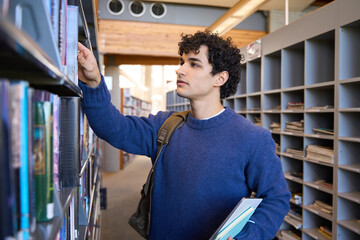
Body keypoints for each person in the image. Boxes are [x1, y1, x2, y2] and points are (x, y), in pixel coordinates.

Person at [77, 31, 291, 240]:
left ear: (220, 78)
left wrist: (247, 236)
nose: (180, 70)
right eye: (182, 62)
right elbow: (114, 128)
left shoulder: (253, 138)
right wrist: (94, 82)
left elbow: (276, 198)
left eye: (194, 64)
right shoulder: (165, 125)